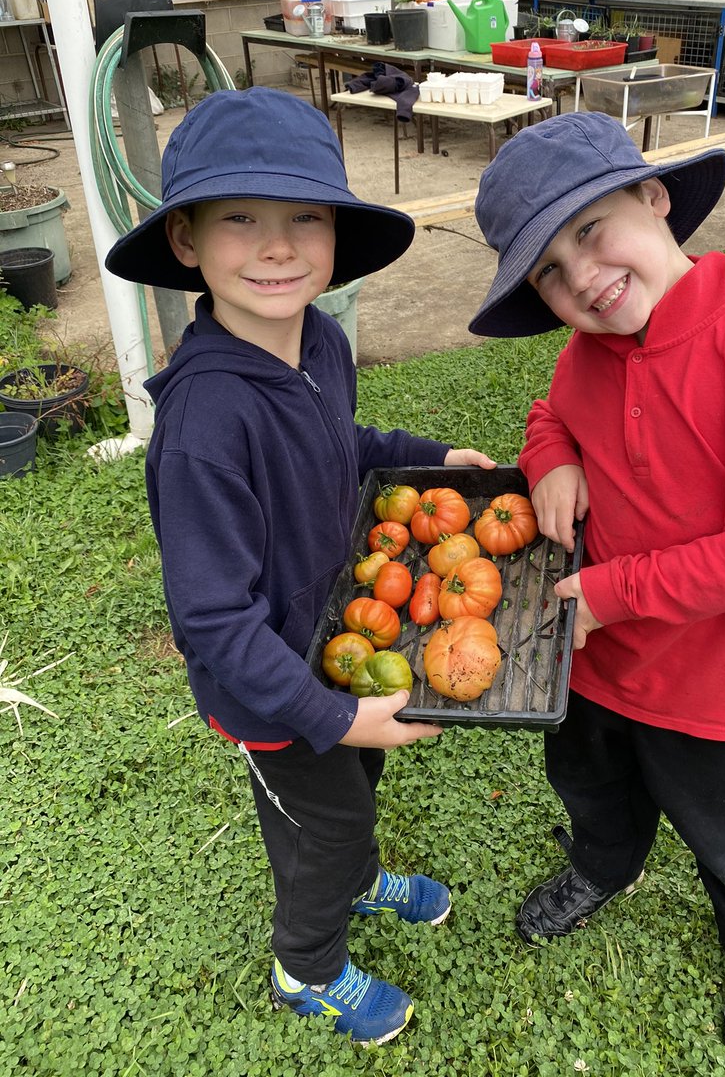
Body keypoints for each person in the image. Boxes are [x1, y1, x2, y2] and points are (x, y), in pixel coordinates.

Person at [105, 86, 495, 1046]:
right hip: (273, 695)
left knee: (356, 795)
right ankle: (305, 966)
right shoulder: (202, 426)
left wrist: (426, 457)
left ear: (332, 236)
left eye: (303, 218)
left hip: (337, 639)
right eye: (240, 217)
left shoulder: (318, 339)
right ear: (188, 241)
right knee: (322, 828)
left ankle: (357, 880)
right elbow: (212, 621)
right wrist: (326, 714)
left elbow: (341, 440)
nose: (276, 245)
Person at [467, 113, 725, 1070]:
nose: (581, 277)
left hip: (713, 691)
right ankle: (604, 866)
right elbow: (553, 412)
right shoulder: (582, 354)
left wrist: (620, 590)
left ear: (655, 196)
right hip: (588, 669)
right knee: (593, 787)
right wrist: (549, 458)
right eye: (549, 270)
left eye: (590, 231)